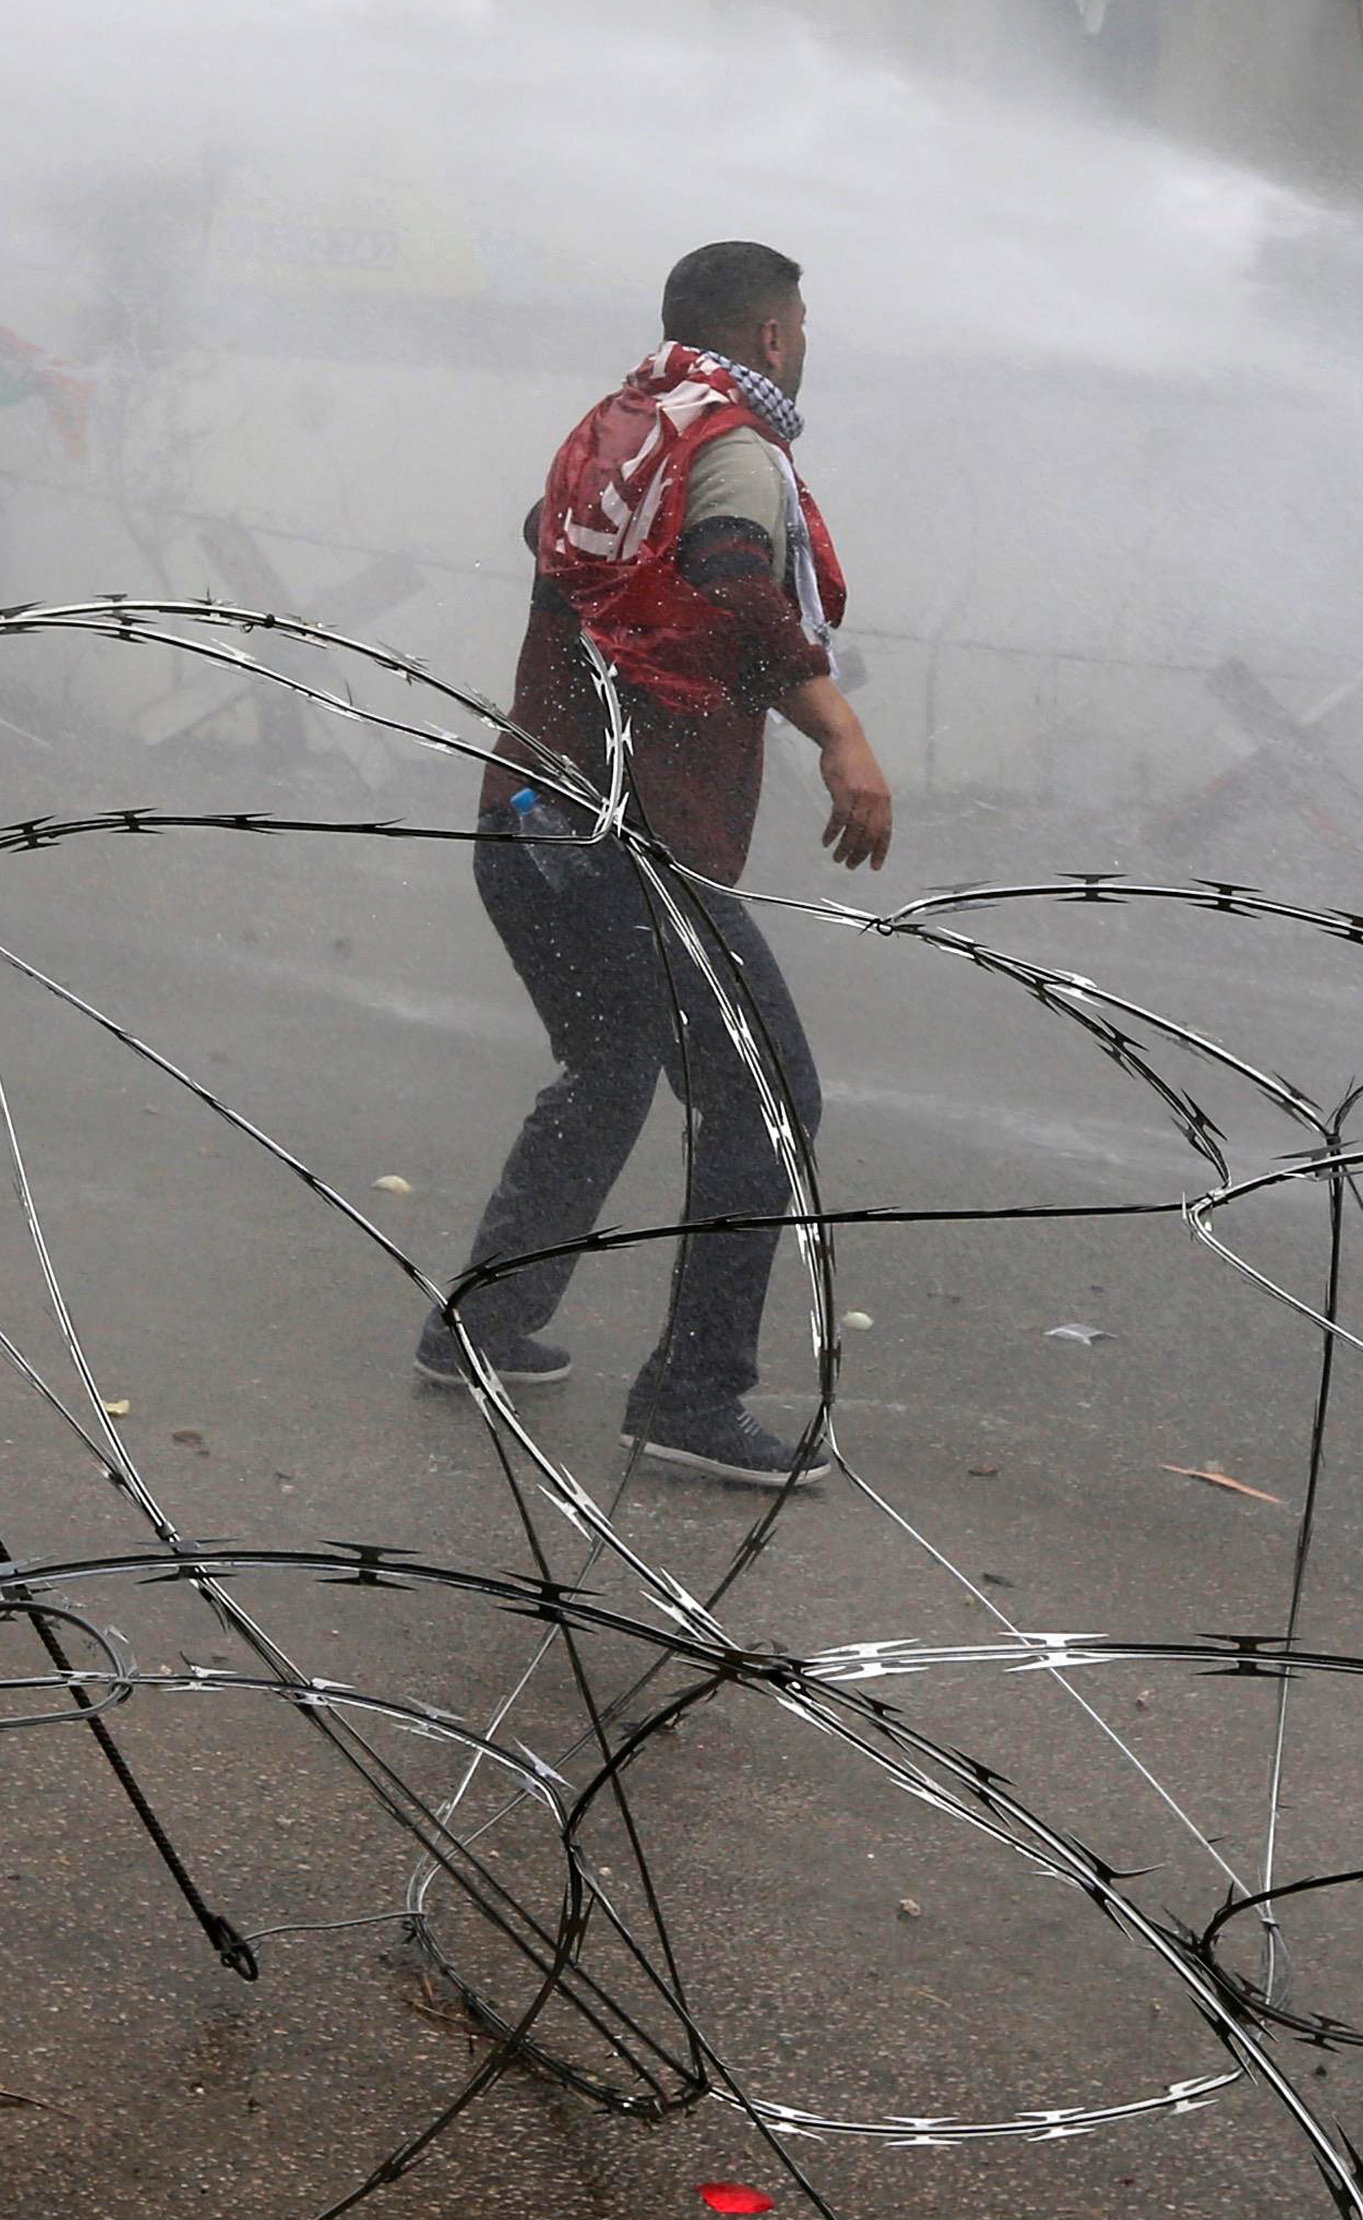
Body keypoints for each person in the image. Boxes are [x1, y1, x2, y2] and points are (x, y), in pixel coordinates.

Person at [417, 241, 895, 1488]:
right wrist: (839, 730)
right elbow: (734, 585)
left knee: (610, 1065)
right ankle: (690, 1394)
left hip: (524, 814)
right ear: (775, 334)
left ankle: (483, 1327)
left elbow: (548, 537)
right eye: (803, 322)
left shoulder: (614, 428)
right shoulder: (734, 448)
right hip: (631, 840)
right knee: (766, 1094)